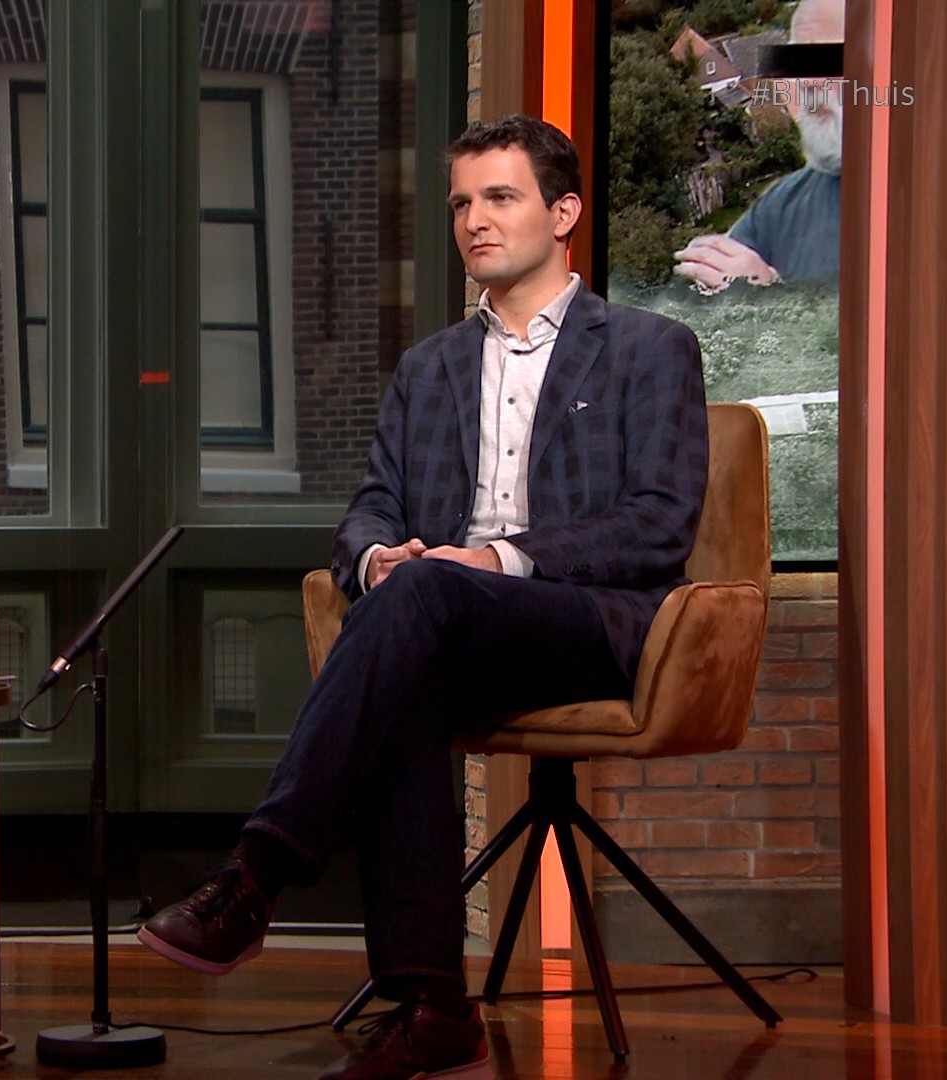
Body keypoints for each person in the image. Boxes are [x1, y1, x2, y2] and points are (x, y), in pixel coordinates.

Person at [137, 115, 708, 1080]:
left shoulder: (650, 348)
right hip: (441, 623)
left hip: (584, 622)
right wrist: (376, 560)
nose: (474, 220)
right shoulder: (428, 367)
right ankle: (435, 1008)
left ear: (564, 212)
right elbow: (370, 509)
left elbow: (658, 524)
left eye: (501, 197)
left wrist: (500, 560)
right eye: (460, 203)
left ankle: (255, 877)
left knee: (424, 603)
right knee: (405, 644)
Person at [673, 0, 845, 291]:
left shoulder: (926, 200)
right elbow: (712, 296)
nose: (809, 82)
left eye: (828, 60)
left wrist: (765, 291)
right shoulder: (779, 205)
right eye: (799, 62)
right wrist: (708, 271)